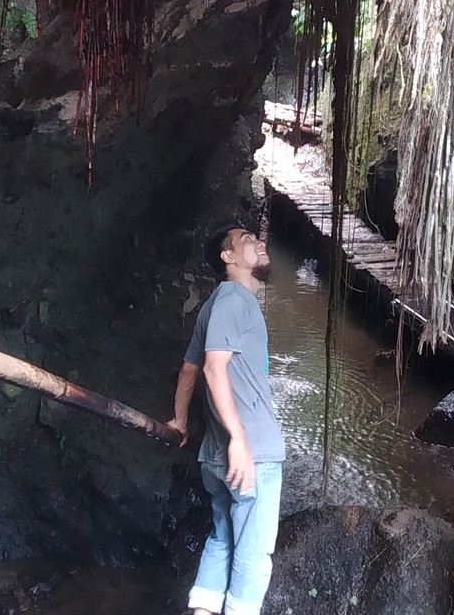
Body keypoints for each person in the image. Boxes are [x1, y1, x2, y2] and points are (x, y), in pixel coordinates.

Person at [167, 222, 285, 615]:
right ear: (228, 257)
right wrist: (239, 439)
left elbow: (188, 369)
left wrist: (180, 422)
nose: (259, 242)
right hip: (251, 453)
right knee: (254, 553)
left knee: (223, 540)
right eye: (247, 240)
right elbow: (212, 369)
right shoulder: (235, 299)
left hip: (216, 458)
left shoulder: (215, 304)